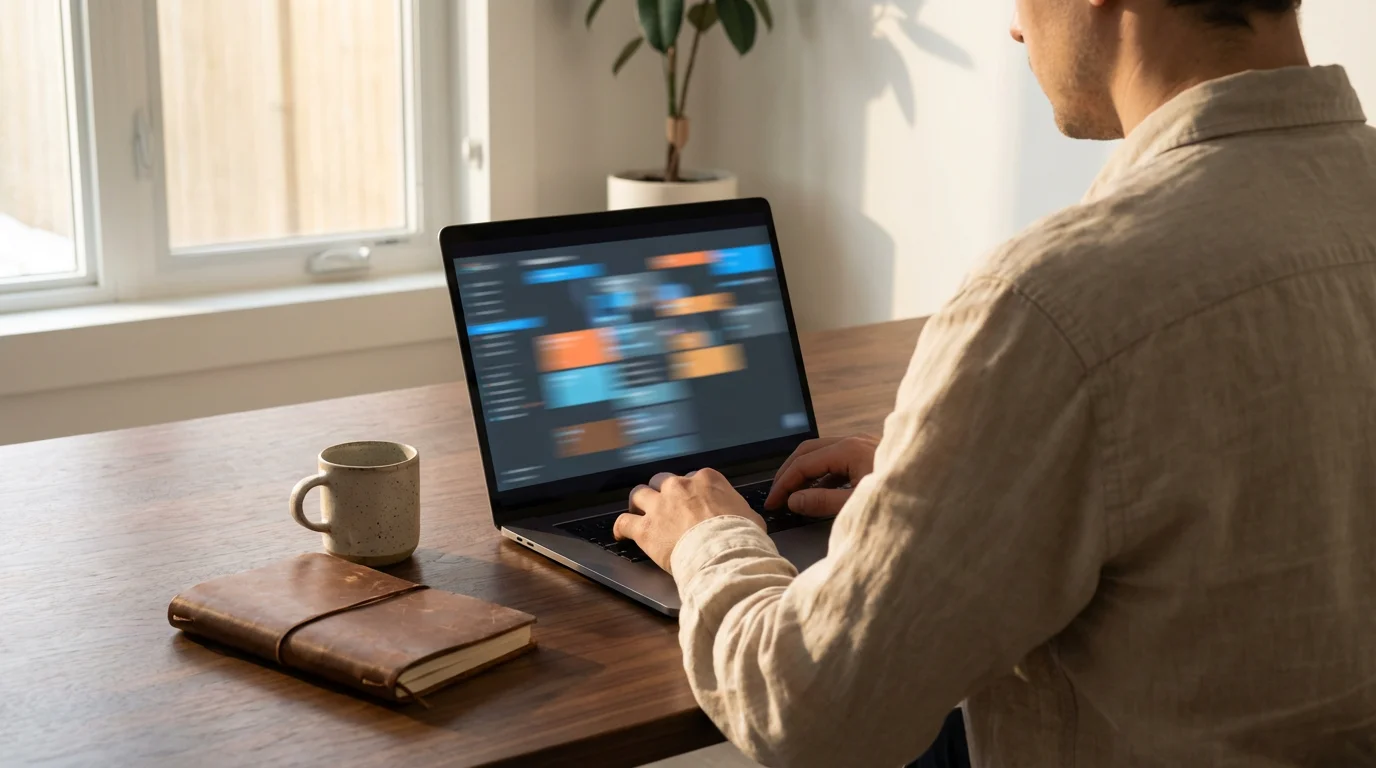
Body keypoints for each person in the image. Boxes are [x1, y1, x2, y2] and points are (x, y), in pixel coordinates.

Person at [613, 0, 1376, 765]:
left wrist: (708, 538)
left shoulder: (1055, 301)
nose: (1015, 27)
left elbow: (812, 711)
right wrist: (965, 489)